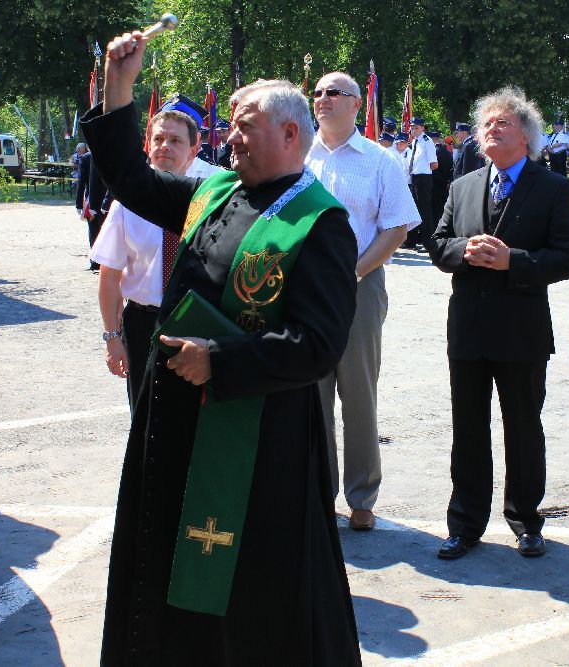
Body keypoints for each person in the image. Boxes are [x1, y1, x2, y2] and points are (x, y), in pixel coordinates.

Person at [82, 30, 360, 664]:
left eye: (245, 126)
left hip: (256, 439)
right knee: (168, 568)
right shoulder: (211, 193)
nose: (228, 137)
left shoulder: (320, 221)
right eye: (228, 126)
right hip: (179, 420)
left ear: (291, 135)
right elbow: (128, 176)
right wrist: (117, 84)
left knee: (245, 598)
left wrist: (221, 362)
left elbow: (318, 345)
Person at [426, 86, 569, 560]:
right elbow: (438, 244)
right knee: (467, 431)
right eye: (487, 123)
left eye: (504, 123)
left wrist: (513, 261)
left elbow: (568, 258)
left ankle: (526, 520)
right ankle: (465, 523)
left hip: (521, 331)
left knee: (523, 428)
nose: (492, 129)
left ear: (527, 137)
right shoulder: (463, 185)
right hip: (469, 330)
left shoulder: (552, 187)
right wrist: (464, 253)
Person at [306, 71, 420, 531]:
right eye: (316, 93)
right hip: (302, 291)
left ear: (357, 105)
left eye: (334, 92)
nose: (323, 99)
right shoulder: (297, 157)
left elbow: (396, 227)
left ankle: (361, 497)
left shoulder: (379, 160)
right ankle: (316, 492)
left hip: (359, 286)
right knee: (310, 395)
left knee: (358, 395)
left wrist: (351, 272)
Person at [90, 101, 220, 409]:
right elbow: (109, 277)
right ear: (148, 145)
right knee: (145, 416)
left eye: (175, 140)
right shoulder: (127, 204)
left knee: (196, 419)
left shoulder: (215, 198)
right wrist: (112, 338)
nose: (165, 147)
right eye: (158, 139)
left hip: (198, 324)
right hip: (144, 325)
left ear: (194, 148)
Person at [405, 117, 438, 249]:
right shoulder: (414, 142)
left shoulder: (427, 141)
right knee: (415, 210)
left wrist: (422, 171)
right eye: (412, 128)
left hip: (423, 178)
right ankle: (412, 240)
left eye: (416, 128)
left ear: (422, 128)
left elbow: (434, 164)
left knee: (424, 211)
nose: (413, 130)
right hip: (414, 178)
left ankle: (428, 241)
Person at [76, 147, 110, 271]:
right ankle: (100, 260)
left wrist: (79, 204)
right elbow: (81, 181)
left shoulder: (85, 158)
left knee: (94, 230)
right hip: (105, 199)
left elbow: (81, 181)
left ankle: (96, 261)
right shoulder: (87, 158)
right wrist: (79, 204)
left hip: (96, 200)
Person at [430, 130, 454, 225]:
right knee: (442, 206)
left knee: (434, 208)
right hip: (444, 182)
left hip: (434, 183)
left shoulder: (433, 152)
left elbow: (433, 168)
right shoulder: (447, 152)